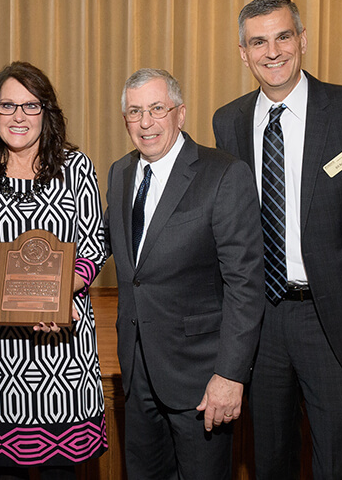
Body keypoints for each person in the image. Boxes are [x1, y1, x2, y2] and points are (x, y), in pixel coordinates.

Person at [212, 0, 342, 479]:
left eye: (283, 37)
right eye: (259, 42)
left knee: (340, 464)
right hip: (261, 323)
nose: (272, 51)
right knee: (269, 462)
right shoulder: (228, 121)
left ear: (302, 40)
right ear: (243, 53)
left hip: (335, 325)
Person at [104, 68, 265, 479]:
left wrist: (229, 374)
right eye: (135, 112)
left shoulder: (224, 174)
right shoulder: (120, 173)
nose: (145, 122)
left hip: (201, 380)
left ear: (181, 113)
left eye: (157, 109)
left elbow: (245, 285)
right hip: (138, 373)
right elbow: (114, 256)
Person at [0, 61, 108, 479]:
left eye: (30, 105)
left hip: (64, 351)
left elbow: (93, 247)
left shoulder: (76, 168)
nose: (18, 116)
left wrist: (55, 297)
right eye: (7, 105)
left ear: (46, 112)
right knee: (4, 473)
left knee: (62, 473)